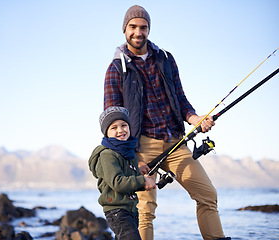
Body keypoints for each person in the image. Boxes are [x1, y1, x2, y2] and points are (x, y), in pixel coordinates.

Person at [103, 5, 231, 240]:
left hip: (175, 142)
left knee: (207, 195)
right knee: (144, 211)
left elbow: (180, 99)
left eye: (143, 27)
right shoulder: (116, 69)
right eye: (133, 27)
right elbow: (112, 118)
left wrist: (195, 119)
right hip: (140, 147)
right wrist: (128, 155)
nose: (138, 32)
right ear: (124, 29)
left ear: (149, 30)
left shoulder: (165, 59)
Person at [89, 106, 156, 240]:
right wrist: (142, 181)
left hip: (131, 209)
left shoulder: (128, 153)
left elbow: (131, 181)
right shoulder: (107, 154)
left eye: (124, 125)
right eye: (114, 127)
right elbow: (117, 182)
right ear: (106, 132)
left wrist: (143, 180)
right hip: (117, 211)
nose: (120, 130)